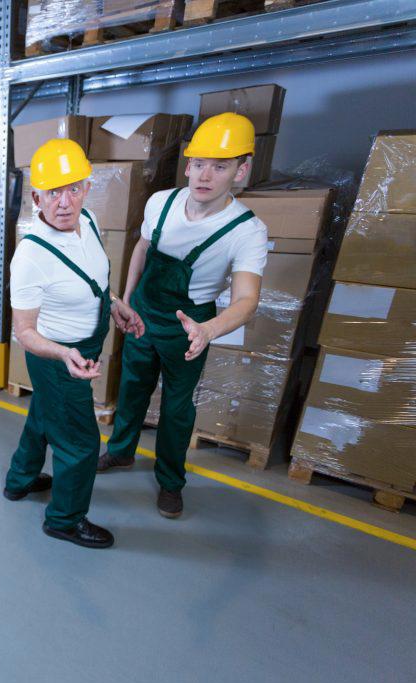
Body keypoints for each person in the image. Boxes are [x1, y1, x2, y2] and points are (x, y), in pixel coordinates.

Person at [97, 113, 270, 519]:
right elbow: (141, 248)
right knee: (133, 386)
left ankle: (171, 482)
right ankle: (121, 452)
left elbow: (247, 298)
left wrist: (207, 330)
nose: (205, 175)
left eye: (220, 165)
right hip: (142, 314)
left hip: (189, 328)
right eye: (198, 163)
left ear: (241, 170)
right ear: (188, 164)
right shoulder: (162, 202)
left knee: (177, 408)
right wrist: (127, 299)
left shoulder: (246, 230)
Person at [3, 139, 145, 549]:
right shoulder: (30, 256)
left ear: (86, 187)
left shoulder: (91, 221)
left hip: (87, 340)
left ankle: (21, 480)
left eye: (73, 189)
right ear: (36, 197)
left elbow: (94, 277)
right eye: (53, 192)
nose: (64, 202)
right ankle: (64, 520)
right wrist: (66, 354)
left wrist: (115, 303)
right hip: (59, 356)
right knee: (81, 441)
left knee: (46, 414)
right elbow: (25, 333)